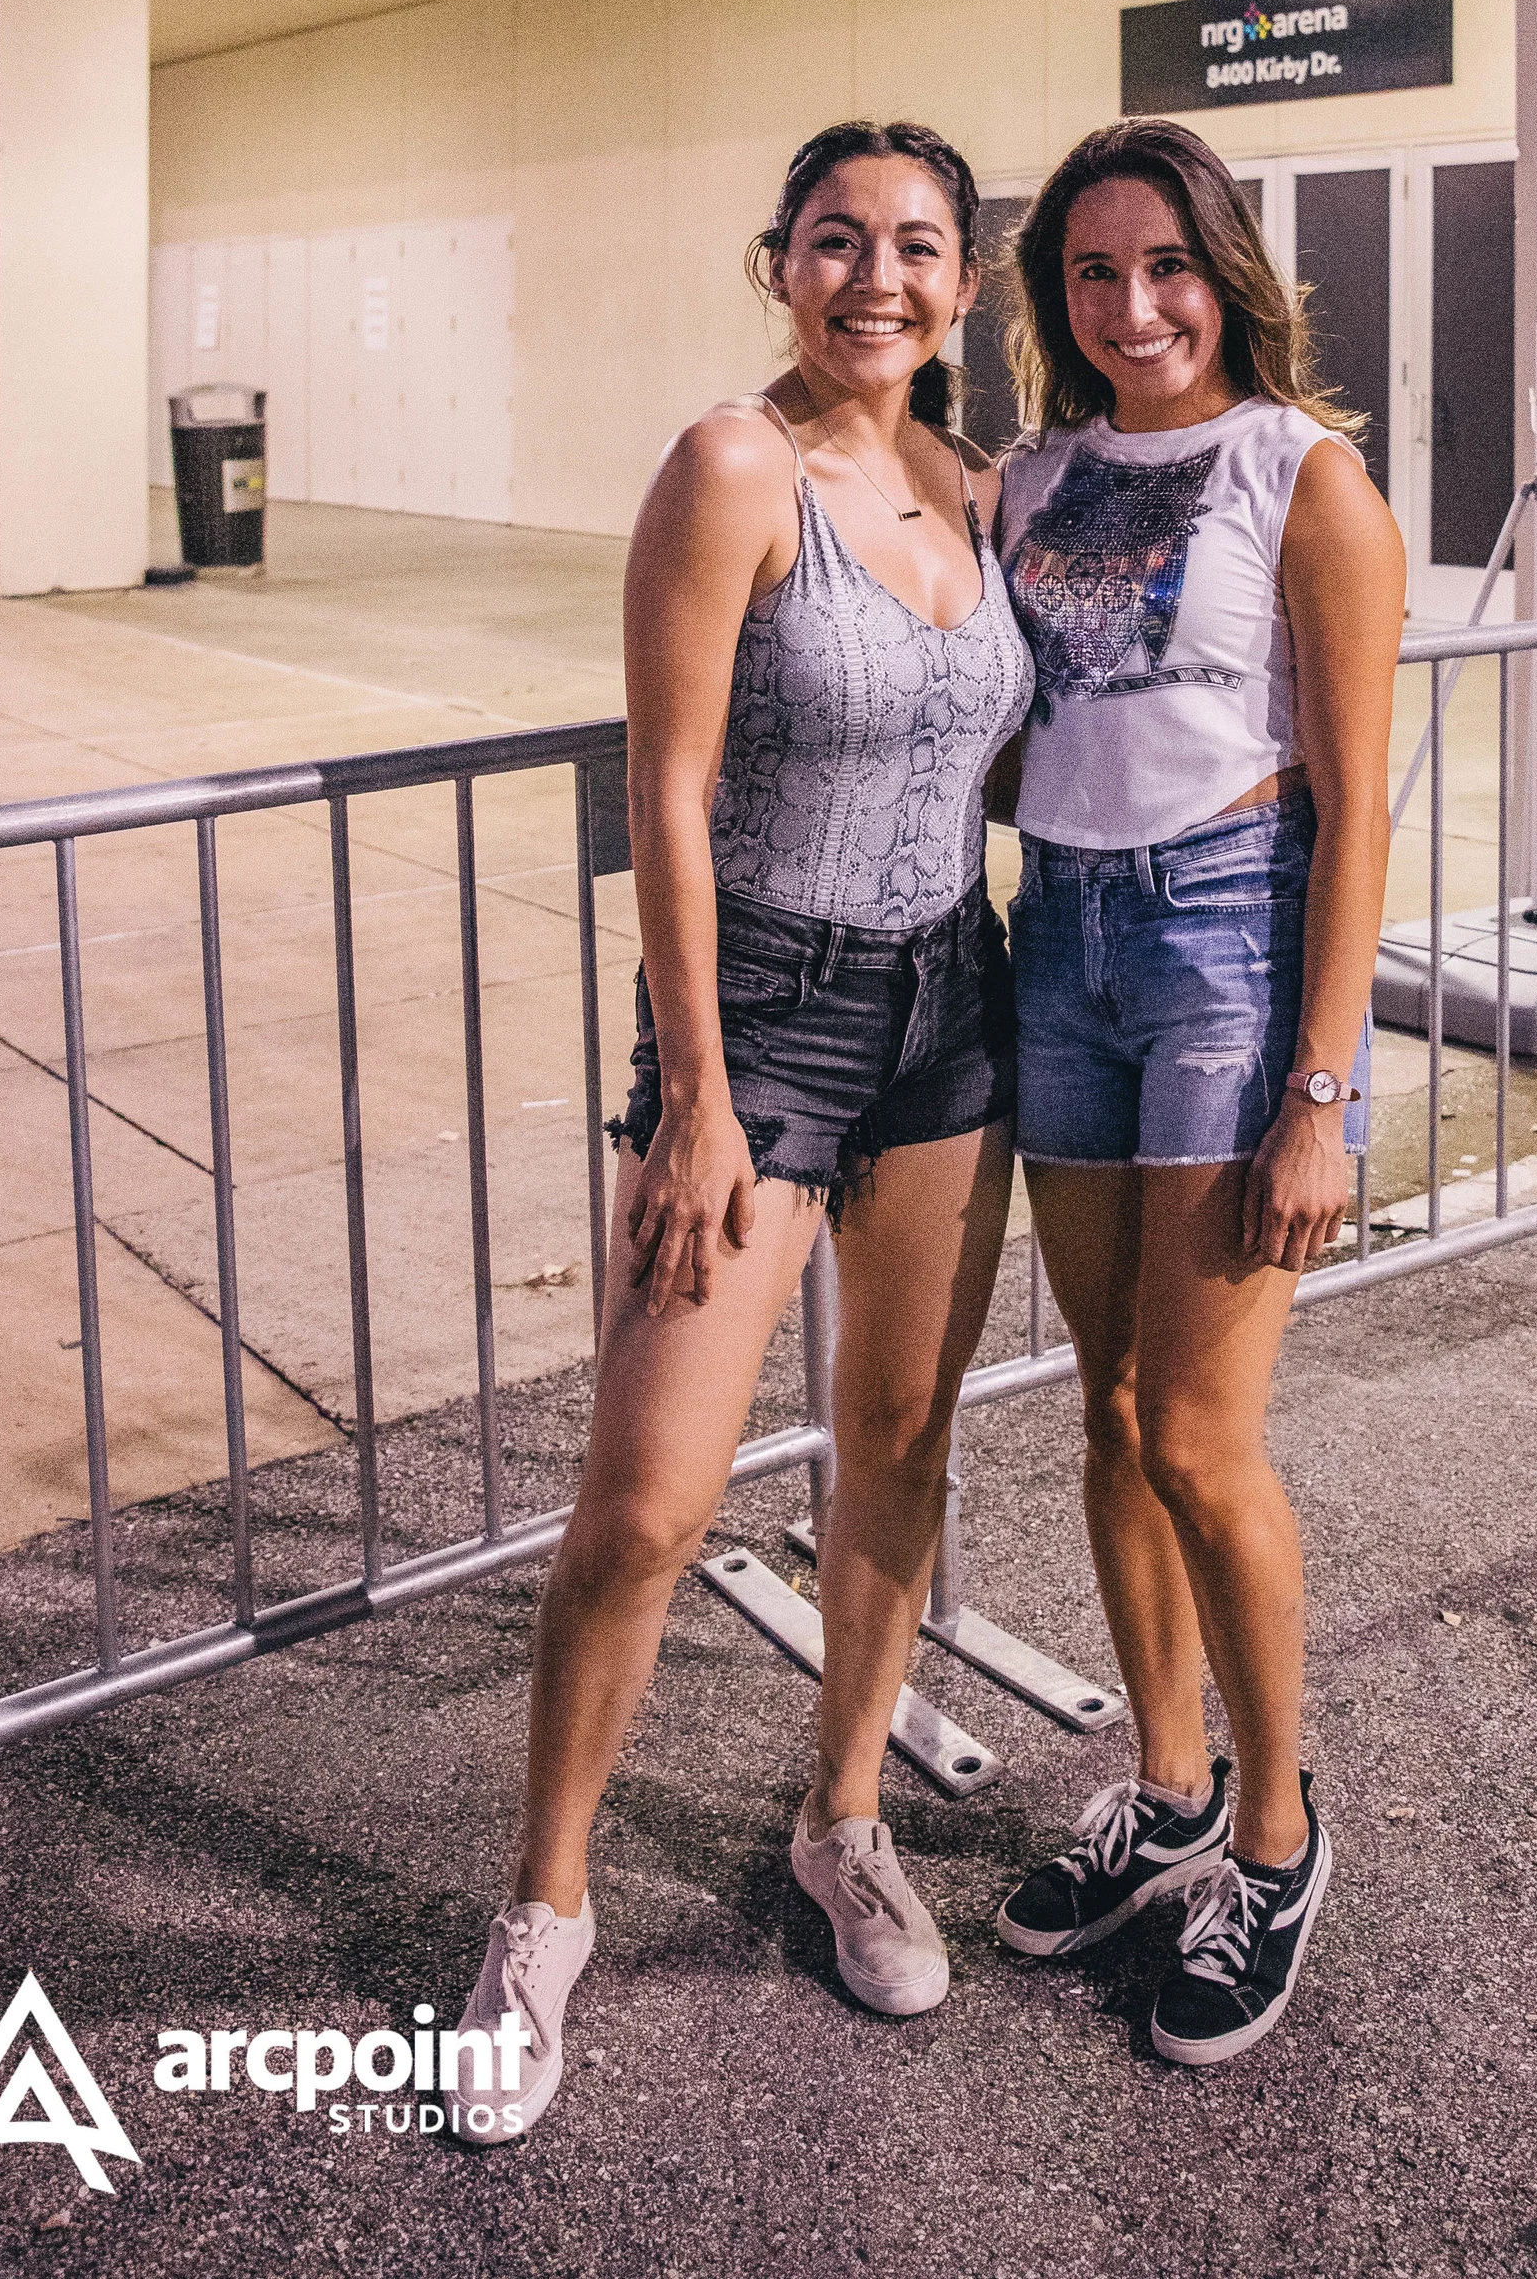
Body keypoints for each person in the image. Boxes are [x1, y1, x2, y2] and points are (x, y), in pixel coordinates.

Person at [449, 121, 1034, 2141]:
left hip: (953, 1006)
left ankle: (842, 1815)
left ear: (965, 283)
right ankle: (541, 1909)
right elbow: (670, 789)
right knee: (646, 1507)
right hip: (764, 1021)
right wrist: (695, 1090)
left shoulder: (977, 486)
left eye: (917, 247)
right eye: (837, 240)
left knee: (894, 1444)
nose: (877, 276)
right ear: (777, 262)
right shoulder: (729, 469)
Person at [988, 120, 1405, 2065]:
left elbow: (1351, 802)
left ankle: (1272, 1830)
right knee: (1106, 1405)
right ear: (1054, 296)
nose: (1130, 304)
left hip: (1225, 941)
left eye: (1162, 264)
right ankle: (1160, 1786)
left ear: (1221, 268)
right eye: (1090, 272)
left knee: (1198, 1432)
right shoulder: (1036, 476)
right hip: (1054, 940)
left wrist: (1320, 1092)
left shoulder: (1301, 476)